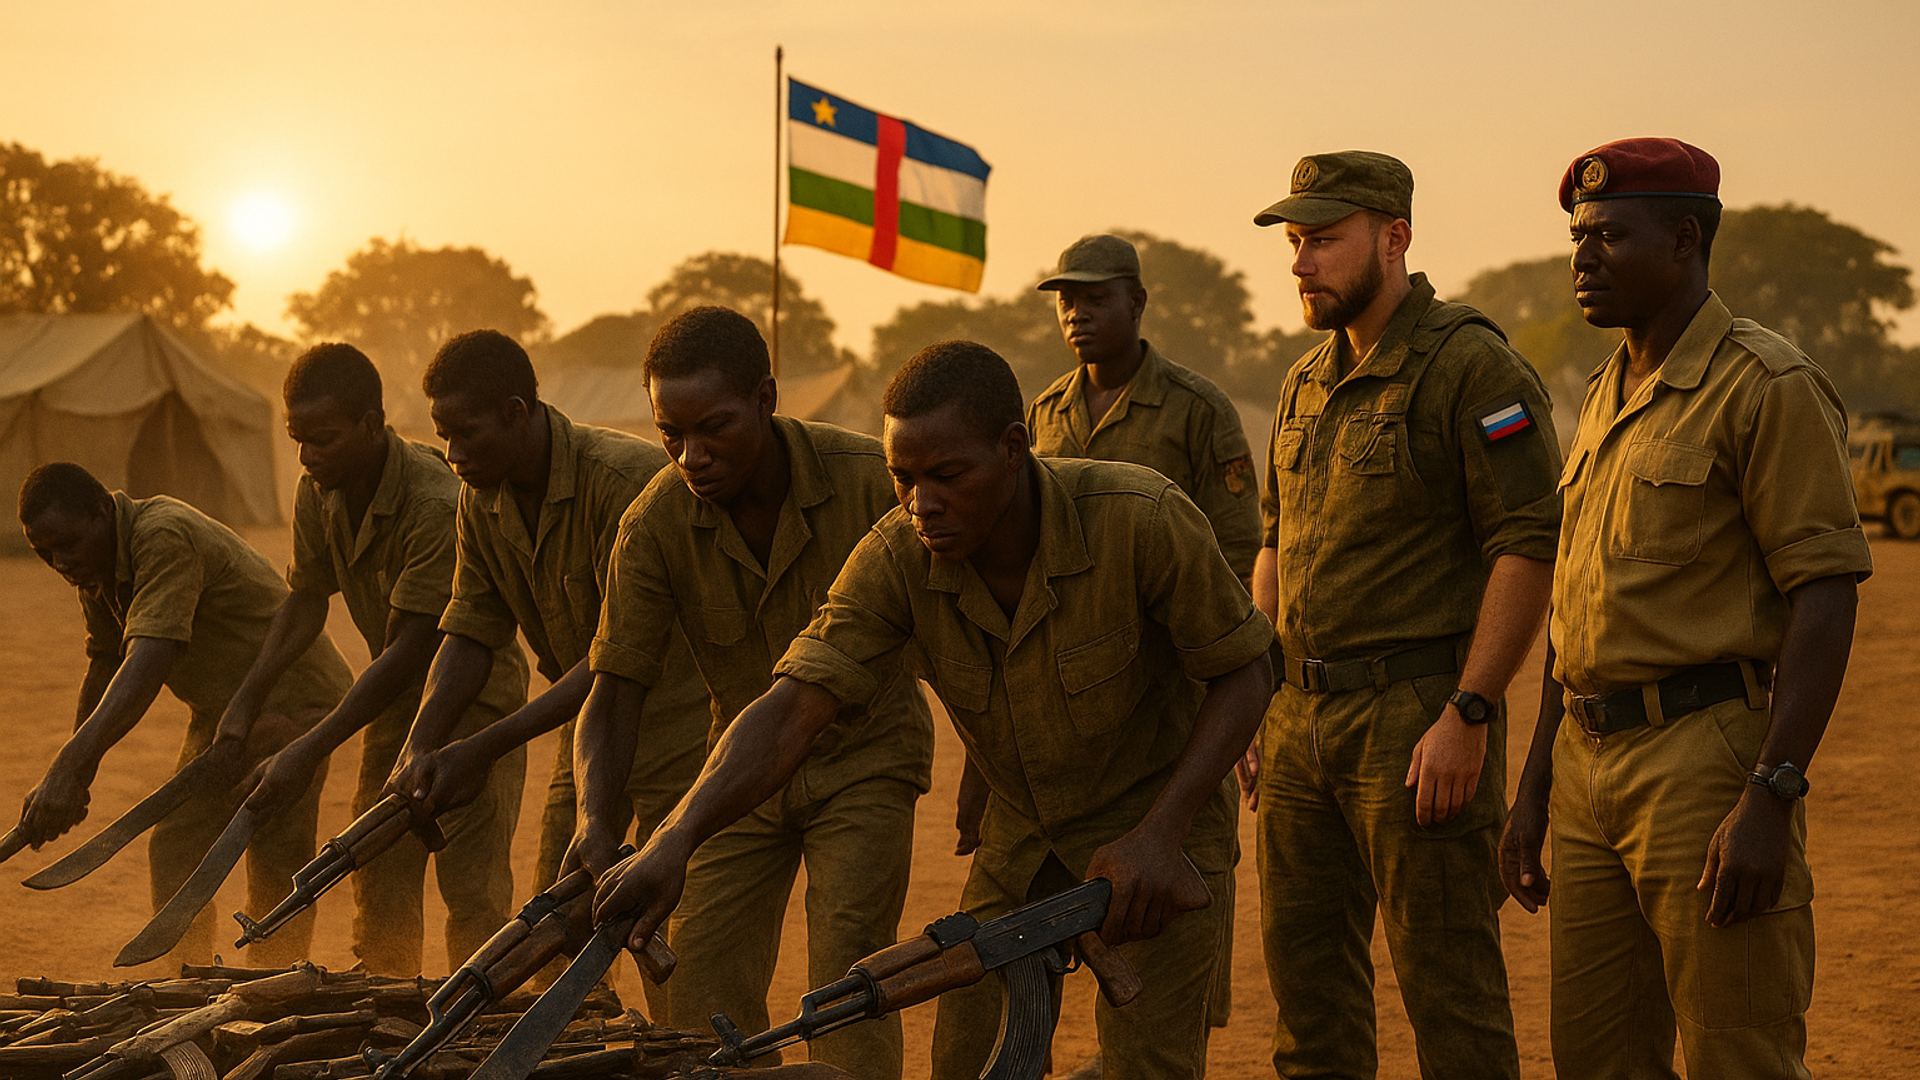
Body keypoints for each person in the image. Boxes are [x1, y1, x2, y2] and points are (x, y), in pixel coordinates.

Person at [591, 341, 1275, 1080]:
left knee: (1149, 1062)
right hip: (1022, 837)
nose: (922, 503)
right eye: (903, 478)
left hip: (1157, 833)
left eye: (948, 476)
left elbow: (1246, 669)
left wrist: (1161, 833)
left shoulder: (1139, 517)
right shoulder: (896, 555)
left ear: (1014, 449)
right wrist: (676, 836)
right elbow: (794, 704)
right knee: (968, 1058)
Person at [1498, 138, 1871, 1080]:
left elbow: (1822, 596)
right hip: (1586, 765)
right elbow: (1576, 612)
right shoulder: (1605, 393)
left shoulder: (1766, 386)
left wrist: (1771, 793)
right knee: (1597, 1057)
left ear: (1688, 240)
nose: (1583, 257)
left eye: (1612, 236)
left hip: (1706, 765)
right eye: (1578, 237)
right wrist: (1536, 784)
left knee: (1734, 1052)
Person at [1249, 150, 1562, 1079]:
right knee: (1309, 1006)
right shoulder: (1302, 381)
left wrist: (1470, 711)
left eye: (1324, 241)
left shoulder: (1472, 366)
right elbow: (1273, 543)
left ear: (1395, 238)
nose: (1302, 262)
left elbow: (1526, 545)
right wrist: (1258, 695)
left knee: (1450, 997)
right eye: (1296, 243)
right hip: (1298, 716)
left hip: (1418, 719)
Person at [568, 307, 933, 1079]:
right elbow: (615, 685)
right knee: (695, 976)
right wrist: (597, 818)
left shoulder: (872, 479)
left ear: (766, 398)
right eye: (671, 433)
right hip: (736, 779)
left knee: (849, 974)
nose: (691, 455)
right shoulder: (654, 524)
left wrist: (992, 781)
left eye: (715, 428)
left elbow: (953, 634)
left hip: (865, 762)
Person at [381, 330, 711, 991]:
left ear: (516, 413)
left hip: (687, 733)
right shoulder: (481, 499)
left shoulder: (625, 484)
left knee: (683, 957)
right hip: (588, 735)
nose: (452, 455)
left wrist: (484, 747)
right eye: (442, 436)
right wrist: (420, 744)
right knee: (551, 935)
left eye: (466, 433)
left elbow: (615, 658)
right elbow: (470, 631)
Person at [219, 343, 529, 976]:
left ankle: (475, 1035)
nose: (307, 456)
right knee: (377, 866)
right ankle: (386, 1011)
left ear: (370, 425)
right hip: (394, 709)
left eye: (323, 439)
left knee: (472, 892)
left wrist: (308, 747)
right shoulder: (319, 489)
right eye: (297, 440)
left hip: (474, 707)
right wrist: (244, 704)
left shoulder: (434, 504)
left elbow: (414, 649)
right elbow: (305, 600)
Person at [1022, 232, 1264, 1029]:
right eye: (1066, 300)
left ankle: (1163, 1038)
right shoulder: (1044, 413)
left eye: (1095, 298)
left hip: (1172, 689)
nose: (1077, 314)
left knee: (1175, 899)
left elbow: (1233, 550)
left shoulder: (1197, 410)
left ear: (1137, 303)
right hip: (1070, 693)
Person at [14, 462, 353, 966]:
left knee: (270, 839)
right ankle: (187, 980)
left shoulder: (163, 534)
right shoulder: (96, 565)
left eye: (66, 544)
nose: (60, 562)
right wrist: (76, 774)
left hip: (296, 698)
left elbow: (150, 658)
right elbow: (107, 660)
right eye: (44, 554)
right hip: (222, 711)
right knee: (178, 842)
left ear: (103, 510)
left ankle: (277, 983)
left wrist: (69, 765)